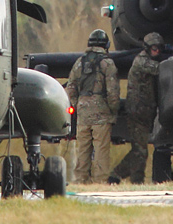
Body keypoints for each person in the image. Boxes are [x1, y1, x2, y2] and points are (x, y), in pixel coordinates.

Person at [64, 29, 119, 184]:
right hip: (102, 113)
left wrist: (77, 104)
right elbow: (112, 92)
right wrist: (113, 110)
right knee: (101, 149)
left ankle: (81, 180)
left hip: (83, 112)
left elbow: (71, 87)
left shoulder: (79, 62)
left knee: (82, 149)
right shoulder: (107, 64)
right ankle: (100, 182)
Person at [108, 32, 164, 185]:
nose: (157, 51)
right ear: (147, 48)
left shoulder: (147, 59)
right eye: (154, 48)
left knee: (139, 150)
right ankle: (135, 181)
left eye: (159, 48)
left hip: (144, 112)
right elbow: (159, 69)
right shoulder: (142, 61)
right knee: (140, 151)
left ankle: (116, 175)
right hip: (137, 112)